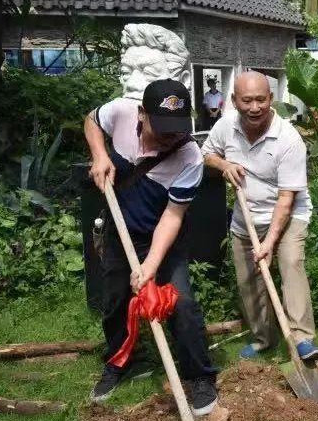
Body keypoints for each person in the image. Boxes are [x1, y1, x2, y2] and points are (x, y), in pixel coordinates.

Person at [84, 79, 218, 416]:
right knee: (115, 301)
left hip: (164, 240)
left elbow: (172, 218)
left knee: (181, 303)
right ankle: (123, 362)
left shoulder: (190, 157)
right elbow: (91, 120)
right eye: (163, 128)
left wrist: (151, 266)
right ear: (141, 114)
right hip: (120, 231)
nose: (171, 136)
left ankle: (200, 377)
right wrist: (100, 155)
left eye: (177, 128)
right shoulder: (120, 112)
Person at [201, 71, 318, 361]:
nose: (254, 107)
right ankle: (262, 338)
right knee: (249, 277)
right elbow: (206, 154)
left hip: (288, 213)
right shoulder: (225, 126)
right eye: (246, 101)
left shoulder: (288, 139)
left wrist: (269, 243)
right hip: (246, 215)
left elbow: (286, 199)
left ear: (271, 99)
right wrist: (224, 164)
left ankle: (302, 339)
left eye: (260, 100)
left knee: (291, 262)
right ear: (234, 101)